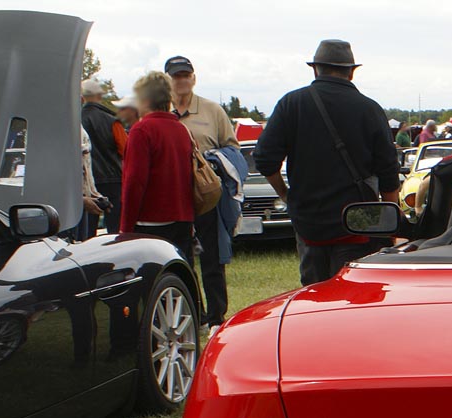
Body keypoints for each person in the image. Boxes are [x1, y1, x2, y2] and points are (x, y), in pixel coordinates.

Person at [253, 39, 400, 285]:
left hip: (310, 222)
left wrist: (286, 194)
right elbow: (388, 172)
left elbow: (264, 159)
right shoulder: (370, 109)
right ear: (351, 72)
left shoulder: (291, 104)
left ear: (315, 69)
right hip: (359, 223)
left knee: (314, 296)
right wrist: (389, 222)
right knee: (354, 294)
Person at [167, 55, 239, 328]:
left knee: (212, 257)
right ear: (167, 81)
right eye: (176, 76)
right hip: (173, 198)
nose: (182, 80)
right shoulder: (159, 112)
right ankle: (192, 313)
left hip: (206, 196)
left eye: (186, 75)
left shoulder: (213, 110)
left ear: (194, 78)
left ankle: (216, 317)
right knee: (180, 258)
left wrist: (212, 160)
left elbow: (233, 150)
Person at [119, 71, 194, 261]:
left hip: (150, 220)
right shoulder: (182, 129)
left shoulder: (141, 130)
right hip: (182, 217)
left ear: (145, 99)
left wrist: (125, 228)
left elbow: (134, 182)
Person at [80, 77, 126, 234]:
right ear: (100, 96)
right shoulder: (112, 121)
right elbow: (125, 150)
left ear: (82, 97)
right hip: (113, 180)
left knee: (87, 231)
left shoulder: (75, 120)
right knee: (115, 230)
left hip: (86, 182)